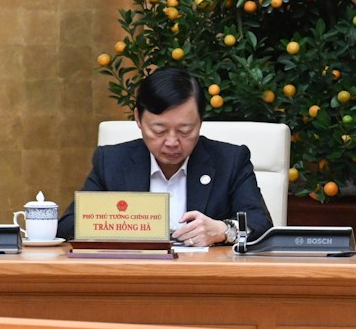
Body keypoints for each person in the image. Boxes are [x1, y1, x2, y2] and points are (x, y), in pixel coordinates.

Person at [58, 67, 273, 243]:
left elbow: (261, 225)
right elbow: (68, 226)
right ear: (138, 120)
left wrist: (223, 230)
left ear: (200, 121)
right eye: (159, 130)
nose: (172, 142)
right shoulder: (112, 161)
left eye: (185, 131)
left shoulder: (231, 160)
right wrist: (117, 223)